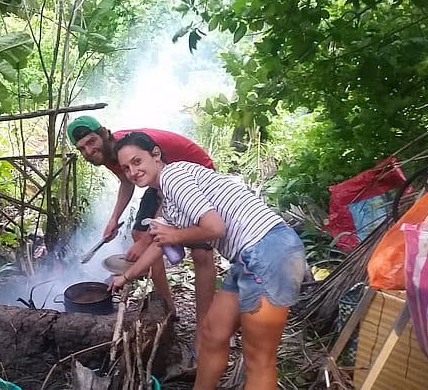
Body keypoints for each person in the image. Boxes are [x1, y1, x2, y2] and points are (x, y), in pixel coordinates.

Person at [108, 132, 306, 390]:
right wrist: (125, 276)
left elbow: (215, 228)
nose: (132, 171)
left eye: (137, 161)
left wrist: (175, 235)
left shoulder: (174, 177)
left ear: (156, 155)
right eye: (126, 168)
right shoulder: (169, 202)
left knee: (259, 359)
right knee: (213, 334)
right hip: (247, 259)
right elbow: (159, 246)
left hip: (269, 250)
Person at [67, 115, 215, 317]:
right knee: (139, 233)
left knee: (200, 253)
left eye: (91, 142)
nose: (88, 151)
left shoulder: (129, 146)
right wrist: (113, 220)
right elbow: (126, 182)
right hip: (161, 181)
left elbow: (170, 197)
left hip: (195, 177)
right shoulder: (111, 153)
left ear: (104, 133)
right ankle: (169, 311)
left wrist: (148, 240)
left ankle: (205, 321)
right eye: (82, 148)